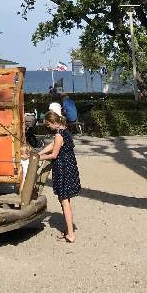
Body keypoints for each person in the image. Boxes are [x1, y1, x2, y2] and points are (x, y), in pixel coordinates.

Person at [38, 102, 81, 243]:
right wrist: (39, 153)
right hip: (69, 167)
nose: (48, 127)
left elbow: (54, 154)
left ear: (53, 122)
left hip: (63, 169)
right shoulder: (64, 131)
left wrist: (39, 157)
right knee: (65, 200)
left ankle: (70, 235)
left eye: (48, 125)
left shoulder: (58, 135)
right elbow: (52, 145)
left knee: (64, 201)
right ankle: (69, 230)